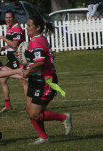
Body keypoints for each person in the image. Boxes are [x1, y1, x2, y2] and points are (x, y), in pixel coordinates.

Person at [22, 16, 72, 145]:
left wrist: (28, 70)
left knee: (35, 114)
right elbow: (34, 60)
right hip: (36, 79)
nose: (26, 28)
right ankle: (43, 137)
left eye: (29, 25)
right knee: (30, 110)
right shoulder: (36, 40)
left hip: (45, 80)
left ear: (37, 27)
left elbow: (40, 62)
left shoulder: (37, 41)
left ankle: (63, 117)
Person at [0, 10, 28, 113]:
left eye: (10, 17)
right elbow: (10, 44)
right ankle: (7, 105)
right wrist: (3, 48)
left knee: (23, 81)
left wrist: (2, 38)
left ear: (14, 18)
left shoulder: (17, 28)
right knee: (2, 79)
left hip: (17, 57)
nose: (8, 19)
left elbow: (14, 45)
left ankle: (29, 107)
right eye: (6, 18)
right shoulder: (9, 28)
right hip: (10, 57)